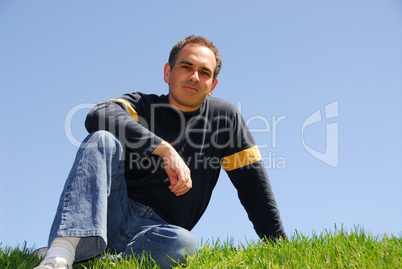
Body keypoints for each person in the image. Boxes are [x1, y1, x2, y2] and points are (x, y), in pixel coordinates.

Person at [34, 35, 286, 269]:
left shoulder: (225, 117)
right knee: (101, 139)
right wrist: (164, 149)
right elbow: (97, 115)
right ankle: (59, 255)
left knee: (185, 244)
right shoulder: (142, 104)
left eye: (204, 72)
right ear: (168, 72)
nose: (194, 77)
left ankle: (102, 260)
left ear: (212, 85)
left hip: (158, 232)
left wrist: (279, 248)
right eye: (186, 67)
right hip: (112, 213)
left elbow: (254, 186)